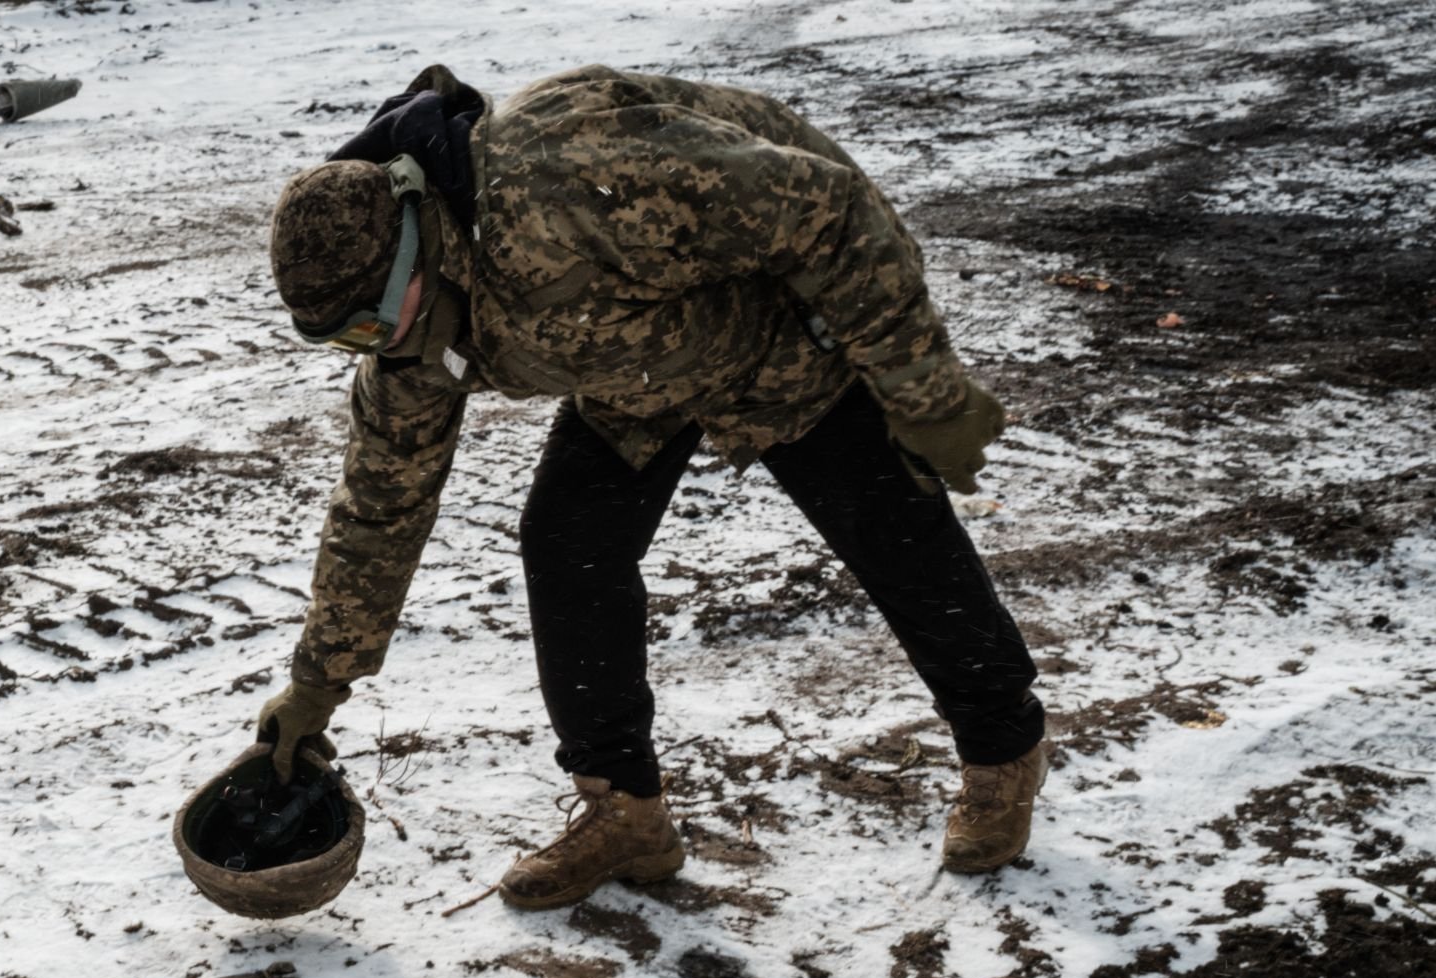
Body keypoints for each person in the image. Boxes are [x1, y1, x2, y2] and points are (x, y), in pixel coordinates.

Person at [254, 64, 1048, 910]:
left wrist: (926, 392)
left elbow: (827, 209)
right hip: (634, 355)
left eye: (372, 323)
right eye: (341, 341)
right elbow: (380, 507)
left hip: (781, 318)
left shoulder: (561, 178)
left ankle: (1003, 748)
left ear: (419, 242)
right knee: (568, 543)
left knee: (887, 526)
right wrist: (316, 686)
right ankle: (623, 810)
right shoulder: (411, 337)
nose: (373, 349)